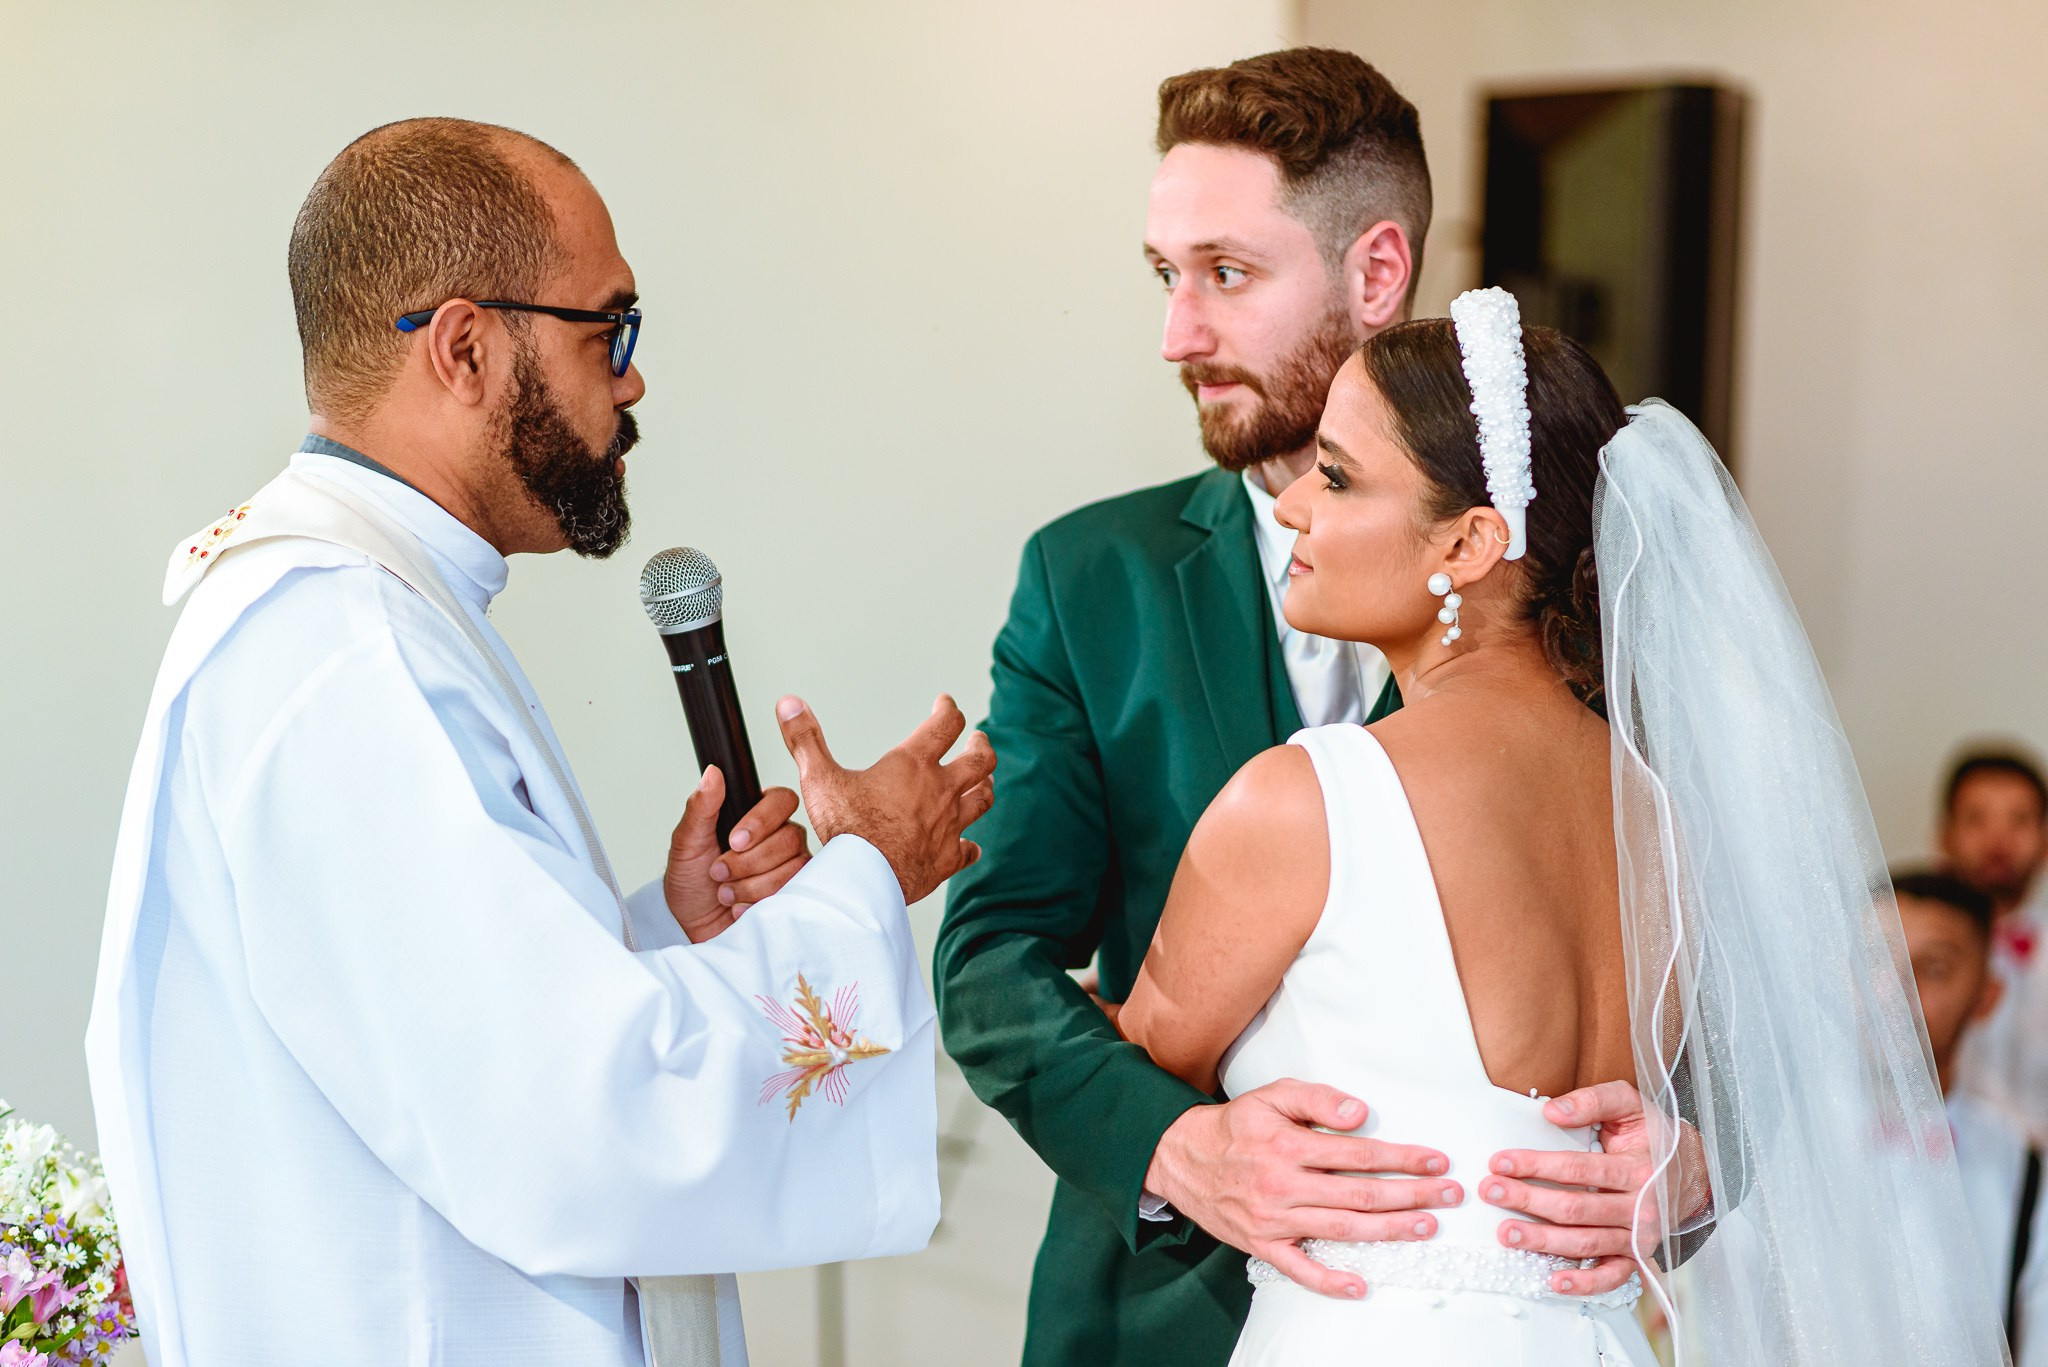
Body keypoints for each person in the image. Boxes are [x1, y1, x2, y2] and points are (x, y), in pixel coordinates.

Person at [85, 118, 994, 1367]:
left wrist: (671, 929)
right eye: (604, 330)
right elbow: (564, 1113)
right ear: (464, 346)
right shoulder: (346, 648)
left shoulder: (371, 613)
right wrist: (864, 874)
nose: (628, 381)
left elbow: (454, 1032)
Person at [936, 50, 1692, 1367]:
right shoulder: (1090, 577)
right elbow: (991, 955)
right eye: (1164, 276)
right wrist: (1177, 1143)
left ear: (1377, 272)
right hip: (1157, 1317)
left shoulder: (1591, 599)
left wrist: (1697, 1164)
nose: (1179, 330)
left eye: (1226, 274)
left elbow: (1741, 982)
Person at [1116, 293, 2006, 1364]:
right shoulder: (1667, 817)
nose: (1294, 504)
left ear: (1470, 539)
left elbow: (1134, 1072)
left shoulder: (1308, 798)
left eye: (1337, 474)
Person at [1893, 868, 2048, 1358]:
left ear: (1988, 995)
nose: (1893, 992)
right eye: (1874, 961)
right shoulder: (1773, 1158)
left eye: (1932, 968)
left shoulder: (2025, 1171)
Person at [1949, 749, 2048, 1140]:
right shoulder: (1901, 951)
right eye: (1977, 819)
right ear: (1945, 833)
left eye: (2018, 820)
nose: (1998, 840)